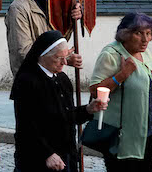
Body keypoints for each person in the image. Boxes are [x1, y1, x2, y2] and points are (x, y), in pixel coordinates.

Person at [89, 12, 152, 172]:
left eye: (148, 33)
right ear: (124, 34)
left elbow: (145, 86)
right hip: (121, 132)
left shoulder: (144, 53)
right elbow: (94, 90)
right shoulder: (111, 54)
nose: (146, 39)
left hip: (146, 127)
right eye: (138, 33)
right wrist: (122, 74)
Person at [11, 30, 107, 171]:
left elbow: (66, 116)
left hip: (65, 154)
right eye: (58, 58)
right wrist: (47, 153)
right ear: (43, 56)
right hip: (37, 158)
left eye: (66, 57)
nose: (64, 62)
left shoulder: (62, 79)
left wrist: (88, 110)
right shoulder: (27, 81)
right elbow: (26, 126)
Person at [5, 0, 83, 76]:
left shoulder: (50, 4)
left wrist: (72, 17)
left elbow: (59, 39)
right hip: (31, 79)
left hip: (51, 76)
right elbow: (24, 52)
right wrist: (62, 59)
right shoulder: (18, 9)